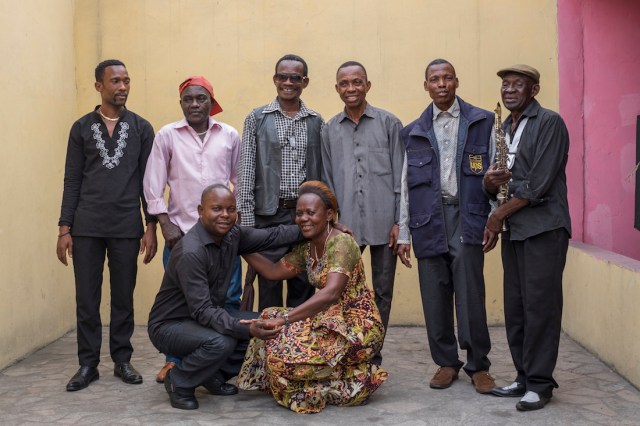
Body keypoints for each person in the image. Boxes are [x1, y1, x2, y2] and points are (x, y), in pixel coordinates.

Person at [147, 184, 308, 410]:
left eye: (231, 209)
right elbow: (203, 311)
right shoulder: (191, 252)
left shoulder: (232, 235)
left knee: (265, 321)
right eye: (217, 209)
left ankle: (211, 375)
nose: (225, 215)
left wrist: (316, 226)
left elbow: (273, 236)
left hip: (205, 317)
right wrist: (246, 329)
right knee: (223, 341)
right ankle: (179, 380)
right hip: (170, 326)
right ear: (200, 211)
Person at [237, 181, 388, 414]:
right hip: (326, 320)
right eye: (299, 213)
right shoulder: (308, 248)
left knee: (281, 358)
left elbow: (331, 293)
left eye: (310, 212)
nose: (303, 218)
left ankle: (357, 378)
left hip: (356, 327)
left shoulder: (342, 243)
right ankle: (331, 379)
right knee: (267, 317)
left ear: (329, 215)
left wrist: (285, 320)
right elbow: (273, 271)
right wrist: (240, 246)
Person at [56, 59, 157, 392]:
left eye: (126, 80)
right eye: (115, 81)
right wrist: (64, 228)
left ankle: (122, 360)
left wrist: (151, 225)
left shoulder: (141, 128)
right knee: (87, 299)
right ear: (99, 86)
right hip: (86, 226)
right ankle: (88, 364)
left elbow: (148, 182)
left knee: (123, 297)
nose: (123, 86)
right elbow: (72, 180)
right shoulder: (81, 128)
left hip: (126, 225)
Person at [398, 59, 496, 394]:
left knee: (471, 295)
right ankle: (446, 363)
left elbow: (496, 173)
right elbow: (405, 186)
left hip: (467, 216)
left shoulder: (482, 122)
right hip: (428, 219)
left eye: (447, 78)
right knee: (434, 295)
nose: (441, 84)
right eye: (434, 79)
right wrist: (404, 232)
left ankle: (478, 366)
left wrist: (494, 218)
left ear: (456, 81)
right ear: (426, 85)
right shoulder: (413, 131)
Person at [143, 75, 243, 383]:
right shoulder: (167, 135)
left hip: (222, 237)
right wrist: (165, 224)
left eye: (201, 99)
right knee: (182, 304)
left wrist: (233, 222)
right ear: (181, 103)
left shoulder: (229, 135)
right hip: (182, 236)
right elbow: (153, 184)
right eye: (188, 99)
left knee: (228, 299)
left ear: (211, 102)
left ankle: (221, 365)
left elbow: (239, 180)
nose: (195, 104)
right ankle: (174, 363)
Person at [483, 64, 571, 411]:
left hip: (544, 229)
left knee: (540, 308)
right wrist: (488, 183)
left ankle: (540, 384)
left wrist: (497, 216)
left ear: (534, 90)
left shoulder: (550, 122)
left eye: (517, 85)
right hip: (515, 230)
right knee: (517, 308)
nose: (509, 90)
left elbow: (539, 183)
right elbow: (496, 181)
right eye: (505, 84)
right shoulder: (503, 127)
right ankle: (523, 377)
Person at [321, 61, 410, 363]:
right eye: (344, 83)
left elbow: (401, 178)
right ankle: (348, 351)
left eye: (357, 82)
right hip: (345, 227)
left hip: (385, 224)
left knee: (383, 291)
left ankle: (373, 352)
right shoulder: (329, 130)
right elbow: (327, 181)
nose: (351, 88)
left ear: (367, 85)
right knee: (343, 291)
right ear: (337, 88)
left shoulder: (389, 124)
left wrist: (399, 223)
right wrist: (332, 224)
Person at [237, 54, 323, 311]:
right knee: (269, 286)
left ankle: (300, 337)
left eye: (295, 77)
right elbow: (246, 170)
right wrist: (248, 225)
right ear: (275, 79)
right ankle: (271, 337)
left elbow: (322, 171)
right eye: (282, 77)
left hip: (304, 216)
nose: (288, 82)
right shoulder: (257, 118)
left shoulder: (316, 121)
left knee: (303, 283)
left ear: (304, 82)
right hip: (268, 217)